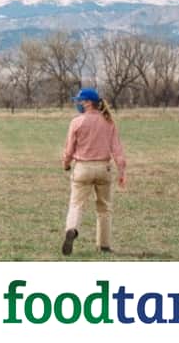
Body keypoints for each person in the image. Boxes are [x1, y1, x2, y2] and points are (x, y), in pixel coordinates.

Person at [61, 87, 127, 256]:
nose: (78, 104)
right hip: (103, 168)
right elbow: (117, 149)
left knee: (76, 204)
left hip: (82, 168)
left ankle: (72, 229)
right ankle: (103, 245)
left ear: (88, 102)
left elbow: (69, 149)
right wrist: (121, 171)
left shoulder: (77, 122)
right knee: (104, 208)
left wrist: (66, 163)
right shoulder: (108, 121)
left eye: (80, 101)